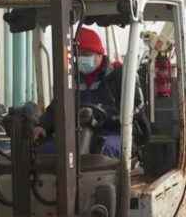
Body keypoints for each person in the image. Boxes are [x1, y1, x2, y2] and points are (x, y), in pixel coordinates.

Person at [34, 27, 124, 158]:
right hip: (75, 134)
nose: (82, 59)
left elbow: (126, 114)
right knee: (46, 150)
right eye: (79, 55)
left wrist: (99, 115)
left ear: (100, 54)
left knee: (103, 150)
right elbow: (56, 108)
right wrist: (42, 126)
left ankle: (104, 177)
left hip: (109, 132)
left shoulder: (115, 78)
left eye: (87, 54)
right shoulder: (70, 79)